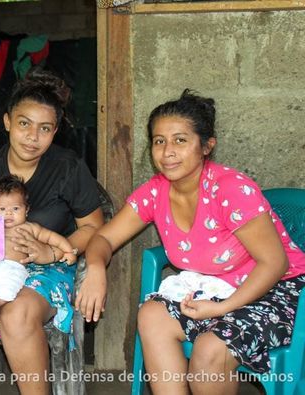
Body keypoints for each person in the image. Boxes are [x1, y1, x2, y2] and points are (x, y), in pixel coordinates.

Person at [84, 89, 305, 394]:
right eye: (159, 141)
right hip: (211, 286)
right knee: (151, 316)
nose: (167, 151)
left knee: (208, 351)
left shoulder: (230, 189)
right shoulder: (155, 192)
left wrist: (222, 308)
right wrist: (95, 267)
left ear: (206, 146)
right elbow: (104, 238)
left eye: (180, 140)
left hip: (275, 287)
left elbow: (275, 262)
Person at [0, 68, 104, 394]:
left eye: (44, 128)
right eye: (24, 124)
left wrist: (53, 251)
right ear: (7, 122)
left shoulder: (68, 168)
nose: (32, 136)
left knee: (18, 312)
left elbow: (94, 228)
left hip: (49, 268)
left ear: (55, 132)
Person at [0, 174, 77, 316]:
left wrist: (68, 251)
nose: (9, 213)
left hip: (13, 266)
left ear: (26, 210)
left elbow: (53, 238)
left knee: (12, 283)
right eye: (2, 209)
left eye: (16, 209)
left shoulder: (30, 228)